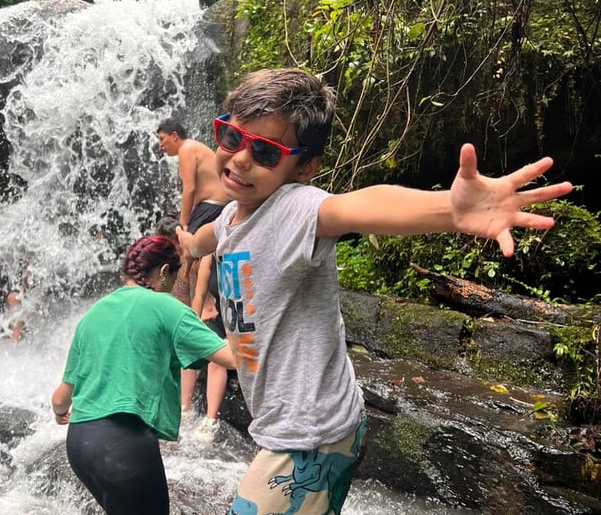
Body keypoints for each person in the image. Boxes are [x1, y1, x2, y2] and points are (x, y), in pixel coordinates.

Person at [175, 68, 573, 514]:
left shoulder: (295, 210)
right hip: (315, 418)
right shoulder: (233, 215)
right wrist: (189, 244)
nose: (241, 158)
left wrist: (450, 208)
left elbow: (359, 206)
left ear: (303, 167)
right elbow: (211, 235)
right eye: (231, 137)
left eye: (266, 151)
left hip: (310, 434)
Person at [50, 235, 235, 515]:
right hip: (122, 445)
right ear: (163, 272)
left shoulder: (94, 313)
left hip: (79, 444)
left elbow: (60, 399)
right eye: (173, 280)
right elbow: (233, 358)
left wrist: (59, 413)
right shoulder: (165, 306)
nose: (172, 288)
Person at [180, 252, 230, 445]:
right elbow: (200, 294)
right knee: (192, 347)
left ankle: (211, 419)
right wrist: (192, 328)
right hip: (219, 318)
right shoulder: (210, 254)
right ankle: (185, 408)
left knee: (217, 358)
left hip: (239, 320)